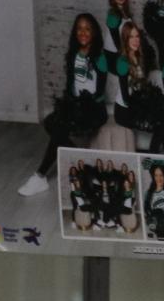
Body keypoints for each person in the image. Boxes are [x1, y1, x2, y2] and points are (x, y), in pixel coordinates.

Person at [19, 14, 107, 197]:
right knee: (51, 122)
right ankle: (83, 161)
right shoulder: (73, 55)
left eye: (87, 29)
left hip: (93, 109)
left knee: (59, 128)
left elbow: (99, 93)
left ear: (94, 33)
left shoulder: (100, 57)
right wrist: (70, 106)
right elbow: (70, 87)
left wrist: (82, 106)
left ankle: (40, 175)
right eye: (79, 28)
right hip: (75, 106)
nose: (83, 32)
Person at [94, 22, 151, 154]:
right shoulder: (122, 62)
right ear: (125, 40)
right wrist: (143, 113)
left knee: (160, 123)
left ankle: (157, 157)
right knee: (154, 125)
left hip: (137, 105)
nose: (136, 40)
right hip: (124, 110)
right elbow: (126, 97)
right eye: (131, 37)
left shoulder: (139, 57)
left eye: (137, 36)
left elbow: (142, 88)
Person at [104, 0, 144, 67]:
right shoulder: (113, 15)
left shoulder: (125, 12)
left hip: (123, 56)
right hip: (114, 57)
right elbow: (117, 44)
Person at [143, 162, 164, 241]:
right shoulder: (149, 193)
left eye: (161, 175)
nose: (159, 178)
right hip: (157, 228)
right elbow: (146, 209)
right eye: (156, 175)